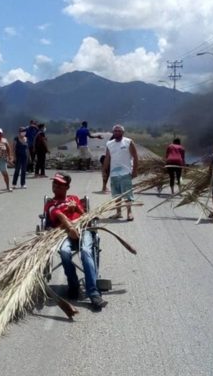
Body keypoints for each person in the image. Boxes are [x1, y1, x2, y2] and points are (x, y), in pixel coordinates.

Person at [45, 172, 107, 310]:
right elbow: (59, 216)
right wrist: (71, 228)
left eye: (59, 184)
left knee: (85, 251)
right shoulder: (51, 203)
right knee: (65, 251)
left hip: (83, 229)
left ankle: (93, 292)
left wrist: (77, 208)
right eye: (54, 183)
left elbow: (86, 217)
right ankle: (73, 284)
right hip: (62, 233)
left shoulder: (73, 198)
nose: (55, 186)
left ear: (67, 187)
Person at [103, 124, 139, 221]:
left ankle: (129, 212)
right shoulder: (109, 144)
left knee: (127, 194)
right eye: (115, 131)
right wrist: (104, 170)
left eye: (119, 131)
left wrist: (134, 170)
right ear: (113, 132)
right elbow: (107, 158)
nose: (117, 133)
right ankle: (118, 213)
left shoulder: (128, 142)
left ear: (123, 132)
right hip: (114, 173)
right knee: (116, 195)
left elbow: (135, 156)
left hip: (126, 173)